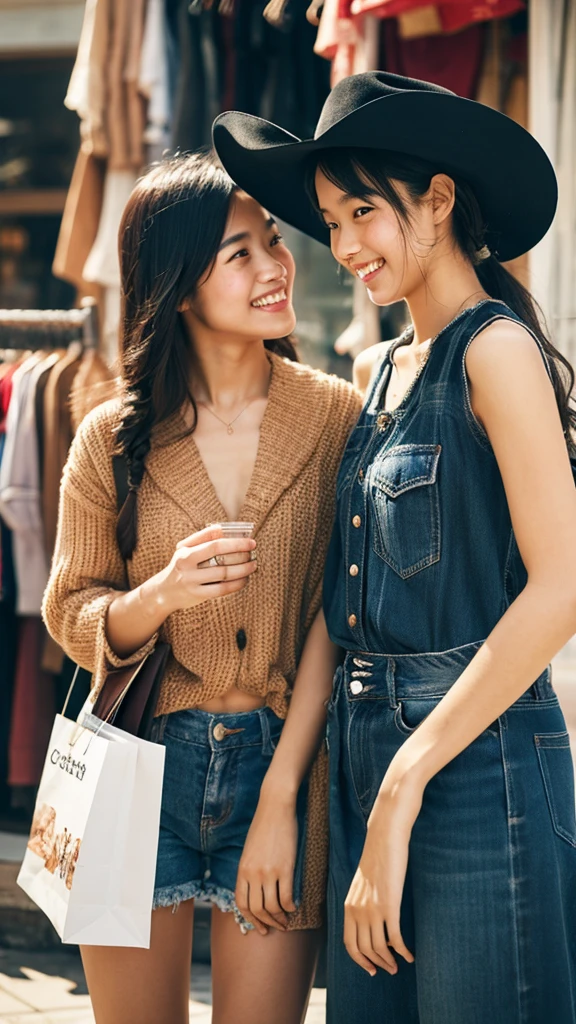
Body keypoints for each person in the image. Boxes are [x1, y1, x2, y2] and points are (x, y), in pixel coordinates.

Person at [213, 72, 576, 1022]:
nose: (341, 248)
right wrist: (287, 791)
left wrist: (405, 785)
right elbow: (346, 604)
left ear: (442, 201)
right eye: (329, 221)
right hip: (365, 751)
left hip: (476, 766)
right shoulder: (377, 372)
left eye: (363, 212)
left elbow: (563, 588)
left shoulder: (493, 351)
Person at [42, 150, 362, 1024]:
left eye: (273, 241)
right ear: (181, 285)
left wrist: (282, 798)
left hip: (278, 763)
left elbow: (340, 617)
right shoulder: (113, 434)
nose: (276, 266)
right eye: (241, 253)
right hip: (134, 766)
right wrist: (165, 593)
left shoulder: (338, 416)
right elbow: (71, 607)